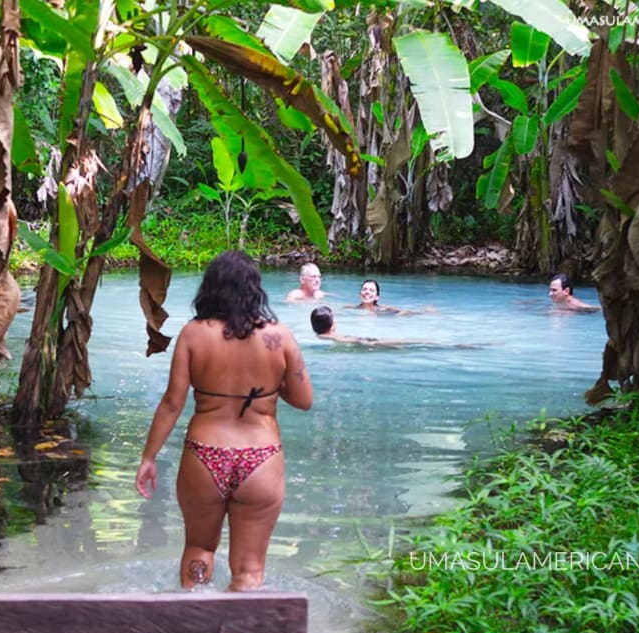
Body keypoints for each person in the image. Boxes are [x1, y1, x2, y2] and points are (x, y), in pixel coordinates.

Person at [136, 250, 313, 591]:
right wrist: (268, 386)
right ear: (255, 289)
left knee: (199, 549)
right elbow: (304, 400)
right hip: (261, 458)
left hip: (205, 454)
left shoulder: (193, 334)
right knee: (249, 571)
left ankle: (193, 616)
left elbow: (173, 402)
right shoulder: (280, 336)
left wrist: (148, 457)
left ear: (210, 288)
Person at [310, 306, 455, 348]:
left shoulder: (319, 336)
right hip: (371, 343)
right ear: (333, 324)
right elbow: (358, 341)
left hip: (367, 342)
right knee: (413, 342)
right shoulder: (335, 337)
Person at [347, 279, 435, 315]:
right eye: (364, 289)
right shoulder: (350, 308)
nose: (367, 292)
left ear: (377, 297)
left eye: (371, 290)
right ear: (360, 294)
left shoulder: (383, 309)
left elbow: (404, 312)